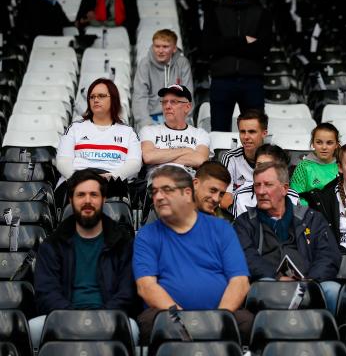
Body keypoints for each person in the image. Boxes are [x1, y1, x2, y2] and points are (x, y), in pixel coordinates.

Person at [133, 166, 251, 345]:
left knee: (250, 323)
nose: (158, 197)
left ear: (187, 193)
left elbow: (240, 283)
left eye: (166, 191)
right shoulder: (147, 235)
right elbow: (146, 287)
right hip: (169, 316)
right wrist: (183, 319)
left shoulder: (222, 229)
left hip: (220, 313)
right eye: (154, 192)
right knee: (151, 323)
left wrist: (218, 318)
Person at [30, 170, 138, 349]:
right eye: (81, 195)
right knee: (31, 328)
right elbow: (46, 293)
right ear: (71, 200)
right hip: (62, 317)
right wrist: (74, 318)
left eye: (94, 194)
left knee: (132, 329)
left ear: (103, 199)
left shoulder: (123, 242)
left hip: (109, 317)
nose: (87, 200)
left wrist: (100, 317)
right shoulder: (52, 244)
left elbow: (127, 293)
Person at [234, 161, 341, 312]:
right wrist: (275, 278)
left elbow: (328, 255)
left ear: (284, 189)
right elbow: (246, 258)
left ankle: (330, 334)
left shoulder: (311, 218)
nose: (261, 191)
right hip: (268, 282)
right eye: (257, 185)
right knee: (265, 285)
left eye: (268, 185)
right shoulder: (244, 223)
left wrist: (312, 280)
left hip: (309, 281)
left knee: (332, 290)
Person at [202, 0, 272, 132]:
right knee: (219, 131)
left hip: (252, 80)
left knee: (254, 131)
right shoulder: (214, 13)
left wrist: (225, 44)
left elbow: (263, 48)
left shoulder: (261, 13)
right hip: (222, 80)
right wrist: (243, 41)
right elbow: (208, 47)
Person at [57, 78, 142, 183]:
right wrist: (82, 180)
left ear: (113, 99)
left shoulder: (128, 132)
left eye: (101, 96)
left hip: (114, 185)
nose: (95, 100)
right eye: (92, 97)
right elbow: (63, 161)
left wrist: (110, 177)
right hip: (77, 182)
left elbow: (135, 163)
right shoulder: (74, 128)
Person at [140, 84, 210, 182]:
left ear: (187, 107)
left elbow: (200, 160)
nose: (167, 106)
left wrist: (160, 157)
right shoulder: (149, 131)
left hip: (188, 185)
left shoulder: (200, 134)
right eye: (164, 102)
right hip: (158, 185)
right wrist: (186, 150)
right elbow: (148, 157)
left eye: (173, 102)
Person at [132, 29, 194, 128]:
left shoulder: (182, 63)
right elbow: (139, 97)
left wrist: (182, 123)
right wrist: (147, 125)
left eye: (165, 47)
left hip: (178, 118)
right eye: (157, 46)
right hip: (151, 119)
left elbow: (187, 95)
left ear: (174, 48)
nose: (160, 51)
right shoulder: (145, 64)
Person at [232, 144, 300, 219]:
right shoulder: (241, 196)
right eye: (259, 165)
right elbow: (240, 229)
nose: (262, 170)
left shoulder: (292, 196)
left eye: (268, 166)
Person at [220, 109, 268, 209]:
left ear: (264, 133)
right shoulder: (230, 158)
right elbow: (225, 201)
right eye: (242, 132)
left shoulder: (275, 158)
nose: (246, 137)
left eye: (252, 132)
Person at [290, 123, 340, 199]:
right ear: (313, 144)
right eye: (319, 142)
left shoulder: (343, 166)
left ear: (336, 144)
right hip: (309, 210)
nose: (324, 147)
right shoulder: (303, 167)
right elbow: (296, 198)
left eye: (329, 143)